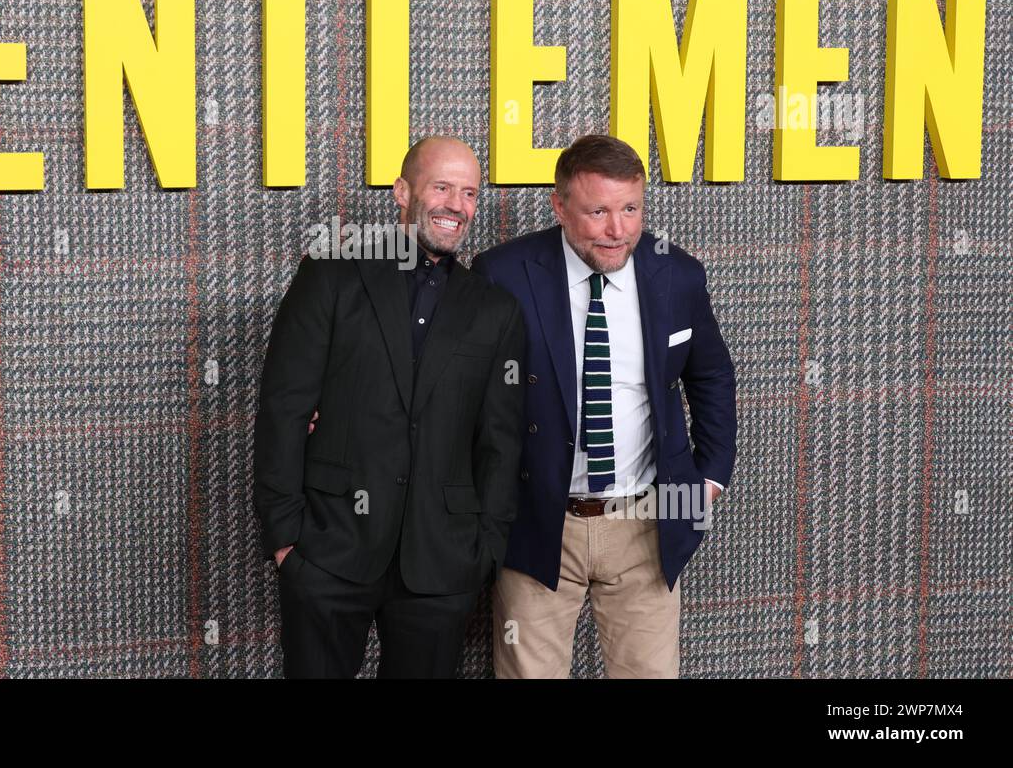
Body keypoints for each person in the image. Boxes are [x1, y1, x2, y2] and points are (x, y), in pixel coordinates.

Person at [253, 136, 525, 678]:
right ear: (403, 191)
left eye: (469, 192)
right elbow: (283, 408)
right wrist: (286, 539)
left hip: (441, 566)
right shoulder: (331, 273)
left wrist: (484, 552)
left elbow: (501, 440)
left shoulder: (494, 309)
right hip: (328, 550)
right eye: (442, 186)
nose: (456, 205)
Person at [471, 135, 737, 678]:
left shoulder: (676, 275)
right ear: (560, 205)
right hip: (538, 521)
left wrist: (709, 478)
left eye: (630, 209)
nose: (618, 230)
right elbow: (461, 390)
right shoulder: (502, 274)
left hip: (647, 522)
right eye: (597, 212)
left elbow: (710, 375)